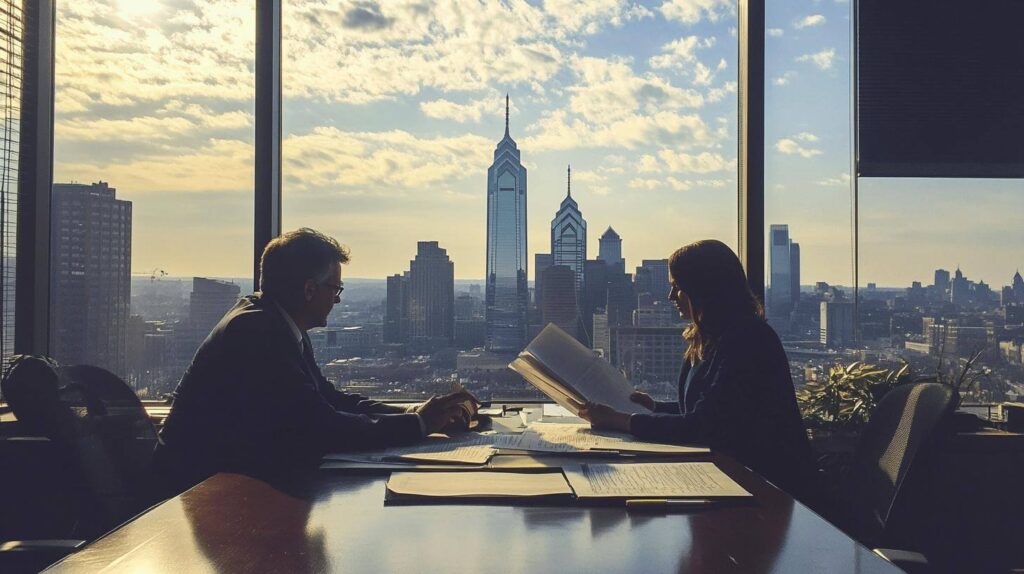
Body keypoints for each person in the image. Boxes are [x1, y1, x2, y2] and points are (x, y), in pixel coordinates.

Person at [153, 228, 475, 495]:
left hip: (223, 487)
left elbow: (329, 399)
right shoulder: (258, 331)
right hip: (195, 496)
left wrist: (414, 412)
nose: (336, 300)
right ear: (309, 289)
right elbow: (321, 425)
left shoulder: (276, 319)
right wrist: (418, 425)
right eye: (335, 289)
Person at [579, 239, 816, 500]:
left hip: (766, 490)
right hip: (731, 479)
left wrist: (621, 421)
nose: (671, 297)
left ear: (703, 289)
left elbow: (706, 426)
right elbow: (711, 408)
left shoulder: (748, 340)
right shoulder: (715, 337)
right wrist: (655, 407)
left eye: (677, 287)